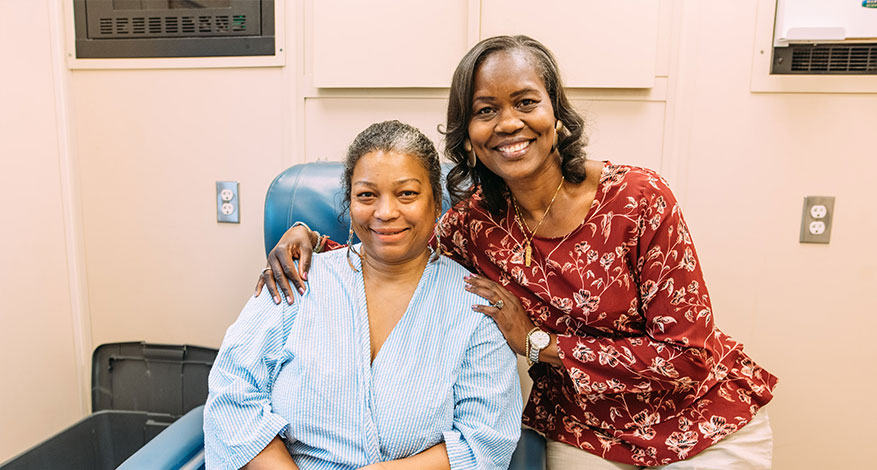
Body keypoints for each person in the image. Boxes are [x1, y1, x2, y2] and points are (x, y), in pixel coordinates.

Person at [257, 36, 778, 469]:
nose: (508, 123)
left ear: (556, 112)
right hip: (584, 435)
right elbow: (391, 244)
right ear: (468, 136)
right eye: (486, 111)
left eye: (525, 102)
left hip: (702, 420)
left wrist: (537, 343)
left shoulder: (637, 198)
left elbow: (690, 357)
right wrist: (305, 234)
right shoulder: (472, 226)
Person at [204, 120, 522, 470]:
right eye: (367, 195)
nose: (385, 212)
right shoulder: (297, 279)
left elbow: (484, 439)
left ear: (435, 204)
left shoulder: (473, 308)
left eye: (407, 194)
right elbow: (232, 394)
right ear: (350, 204)